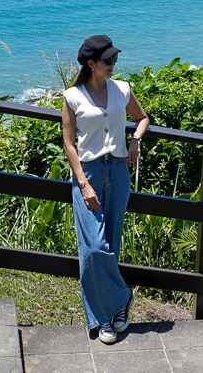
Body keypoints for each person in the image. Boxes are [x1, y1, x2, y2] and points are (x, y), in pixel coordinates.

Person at [61, 34, 149, 344]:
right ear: (91, 64)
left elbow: (142, 118)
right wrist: (83, 183)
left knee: (111, 241)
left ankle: (109, 318)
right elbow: (69, 144)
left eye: (115, 59)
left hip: (119, 170)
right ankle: (120, 299)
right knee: (94, 248)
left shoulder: (122, 90)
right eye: (108, 60)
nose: (113, 64)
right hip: (90, 172)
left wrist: (135, 139)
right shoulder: (73, 97)